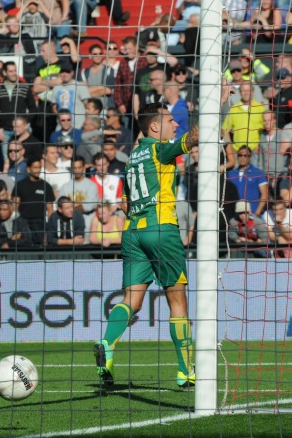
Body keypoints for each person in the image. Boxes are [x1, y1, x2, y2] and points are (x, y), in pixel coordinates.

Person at [93, 102, 198, 388]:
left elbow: (126, 203)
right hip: (162, 229)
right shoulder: (158, 149)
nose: (176, 125)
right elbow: (195, 137)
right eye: (170, 121)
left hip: (132, 232)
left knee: (131, 300)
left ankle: (108, 343)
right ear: (154, 126)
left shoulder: (130, 159)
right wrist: (219, 106)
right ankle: (185, 371)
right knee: (177, 302)